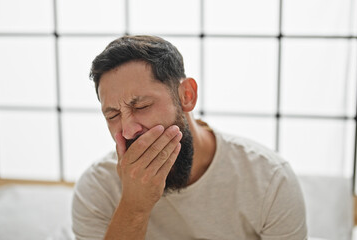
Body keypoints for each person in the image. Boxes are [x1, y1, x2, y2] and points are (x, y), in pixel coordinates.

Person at [72, 35, 308, 240]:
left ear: (187, 95)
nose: (128, 130)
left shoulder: (270, 180)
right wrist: (134, 207)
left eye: (142, 106)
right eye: (113, 115)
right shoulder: (96, 189)